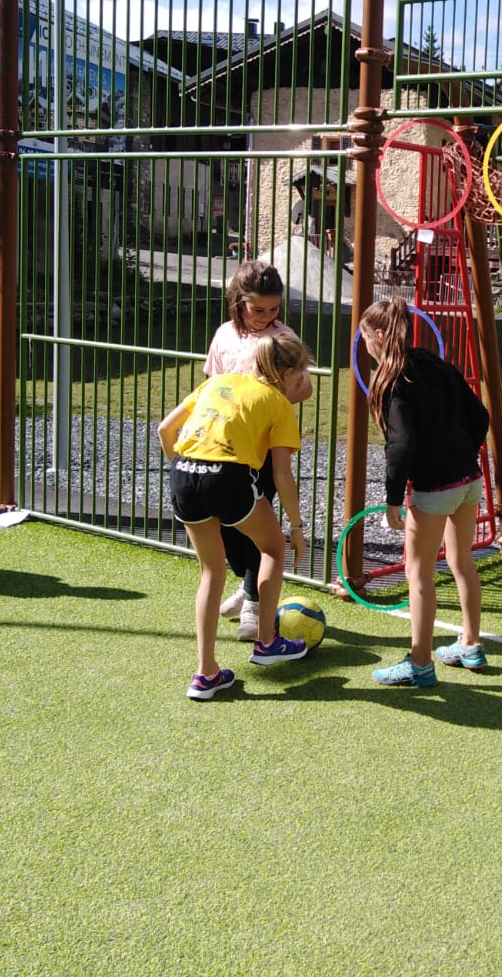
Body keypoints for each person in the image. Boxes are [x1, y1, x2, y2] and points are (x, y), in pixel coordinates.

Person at [158, 334, 313, 700]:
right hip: (226, 476)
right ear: (286, 373)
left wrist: (185, 471)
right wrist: (296, 526)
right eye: (300, 377)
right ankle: (267, 642)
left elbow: (165, 429)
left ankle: (206, 674)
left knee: (210, 571)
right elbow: (282, 474)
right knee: (273, 548)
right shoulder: (278, 403)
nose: (300, 384)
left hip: (183, 473)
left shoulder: (217, 382)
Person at [357, 296, 490, 688]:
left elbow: (401, 445)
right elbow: (479, 415)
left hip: (436, 488)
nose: (365, 346)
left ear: (379, 335)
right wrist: (461, 453)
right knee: (461, 561)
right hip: (469, 479)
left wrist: (393, 500)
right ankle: (471, 644)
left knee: (418, 574)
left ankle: (419, 663)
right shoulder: (432, 362)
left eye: (365, 338)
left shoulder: (393, 381)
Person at [203, 261, 312, 644]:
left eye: (274, 309)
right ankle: (248, 583)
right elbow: (211, 383)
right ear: (238, 302)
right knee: (226, 523)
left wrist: (265, 403)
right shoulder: (224, 335)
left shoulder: (283, 337)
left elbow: (303, 387)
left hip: (262, 448)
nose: (267, 317)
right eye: (258, 309)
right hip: (222, 447)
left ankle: (253, 601)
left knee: (258, 526)